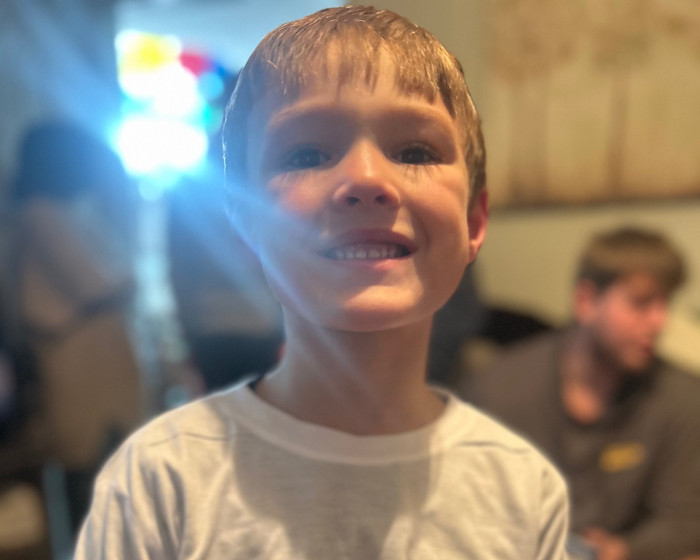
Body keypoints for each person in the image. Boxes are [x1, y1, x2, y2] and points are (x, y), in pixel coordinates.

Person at [74, 7, 570, 559]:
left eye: (415, 151)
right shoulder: (159, 485)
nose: (366, 179)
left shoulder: (524, 492)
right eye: (307, 154)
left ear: (474, 222)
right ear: (244, 229)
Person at [467, 226, 700, 560]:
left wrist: (623, 549)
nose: (659, 321)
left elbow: (686, 517)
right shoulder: (499, 390)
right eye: (641, 303)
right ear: (587, 301)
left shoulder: (682, 398)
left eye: (665, 303)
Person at [5, 121, 146, 536]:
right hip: (80, 371)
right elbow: (104, 282)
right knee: (91, 482)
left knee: (100, 481)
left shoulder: (56, 213)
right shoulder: (42, 214)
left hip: (90, 368)